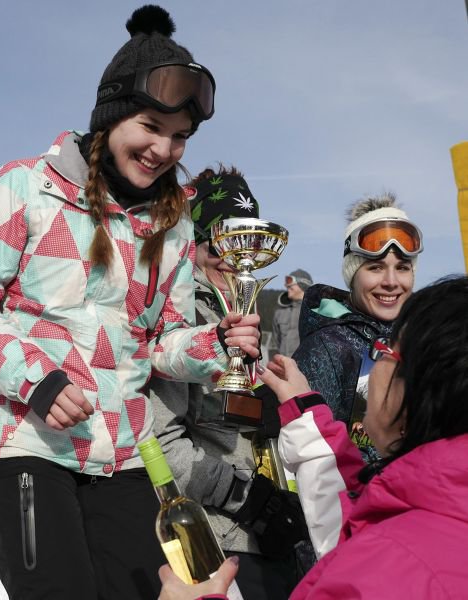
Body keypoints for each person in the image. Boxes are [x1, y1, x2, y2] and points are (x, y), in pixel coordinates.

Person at [0, 7, 261, 598]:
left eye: (179, 136)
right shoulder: (27, 186)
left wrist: (215, 344)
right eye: (150, 126)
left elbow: (161, 342)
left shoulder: (173, 224)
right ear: (110, 116)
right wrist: (37, 378)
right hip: (25, 442)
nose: (163, 148)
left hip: (125, 455)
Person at [159, 275, 468, 598]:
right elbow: (352, 522)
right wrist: (305, 414)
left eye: (385, 351)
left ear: (417, 390)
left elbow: (367, 556)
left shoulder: (386, 565)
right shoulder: (430, 508)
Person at [149, 166, 307, 600]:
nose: (232, 258)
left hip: (271, 540)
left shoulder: (250, 316)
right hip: (214, 541)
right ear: (194, 242)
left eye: (245, 244)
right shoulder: (179, 322)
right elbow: (163, 444)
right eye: (219, 242)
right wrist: (249, 499)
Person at [292, 193, 421, 432]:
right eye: (375, 268)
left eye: (402, 267)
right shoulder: (326, 349)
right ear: (353, 276)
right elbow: (312, 444)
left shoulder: (424, 339)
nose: (391, 282)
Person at [272, 269, 312, 357]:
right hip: (284, 362)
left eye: (290, 282)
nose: (287, 286)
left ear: (302, 284)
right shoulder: (280, 312)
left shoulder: (315, 311)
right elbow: (277, 339)